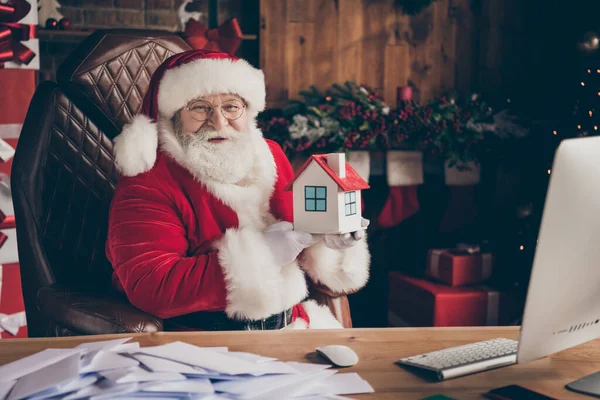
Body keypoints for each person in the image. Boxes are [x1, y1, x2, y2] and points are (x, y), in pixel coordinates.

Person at [106, 49, 371, 331]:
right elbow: (152, 286)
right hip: (208, 342)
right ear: (174, 115)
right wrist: (262, 256)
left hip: (295, 324)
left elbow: (299, 237)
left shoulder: (271, 156)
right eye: (199, 107)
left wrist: (326, 240)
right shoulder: (148, 181)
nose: (218, 122)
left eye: (231, 106)